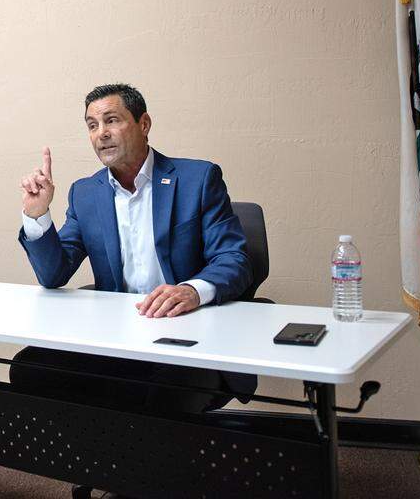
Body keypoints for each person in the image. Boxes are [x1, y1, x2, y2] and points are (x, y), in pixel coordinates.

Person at [13, 83, 254, 422]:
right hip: (118, 338)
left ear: (144, 124)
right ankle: (96, 452)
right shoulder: (85, 193)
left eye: (112, 120)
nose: (101, 133)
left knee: (162, 391)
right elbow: (54, 274)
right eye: (92, 125)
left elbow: (234, 259)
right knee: (31, 368)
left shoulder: (198, 178)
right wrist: (37, 215)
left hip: (187, 335)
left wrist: (192, 290)